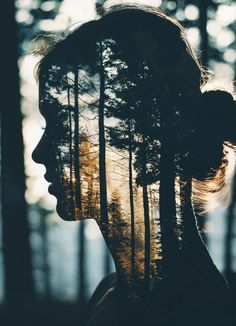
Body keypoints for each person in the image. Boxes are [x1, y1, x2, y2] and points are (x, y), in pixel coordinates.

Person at [32, 3, 236, 326]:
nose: (39, 153)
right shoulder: (116, 291)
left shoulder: (188, 307)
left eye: (62, 127)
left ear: (129, 136)